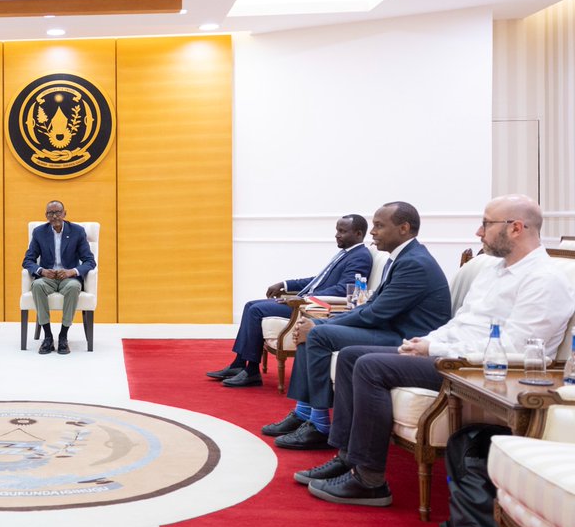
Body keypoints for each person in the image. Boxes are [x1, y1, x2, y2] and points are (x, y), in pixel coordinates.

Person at [297, 195, 575, 506]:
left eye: (486, 223)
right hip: (450, 353)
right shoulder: (495, 271)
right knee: (351, 357)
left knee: (370, 366)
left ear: (516, 228)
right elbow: (461, 323)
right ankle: (348, 458)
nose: (478, 232)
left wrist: (435, 347)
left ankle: (370, 480)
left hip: (474, 370)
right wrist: (426, 342)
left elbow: (517, 349)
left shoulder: (544, 279)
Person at [268, 201, 451, 449]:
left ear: (404, 228)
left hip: (406, 339)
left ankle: (319, 425)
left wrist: (322, 324)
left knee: (318, 334)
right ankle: (305, 413)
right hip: (390, 329)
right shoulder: (401, 257)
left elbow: (375, 313)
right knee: (313, 329)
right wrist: (323, 321)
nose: (372, 232)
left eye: (378, 226)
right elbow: (373, 305)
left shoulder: (414, 263)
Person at [207, 214, 371, 388]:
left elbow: (343, 289)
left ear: (358, 234)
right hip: (306, 301)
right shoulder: (346, 254)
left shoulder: (360, 256)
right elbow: (318, 280)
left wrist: (303, 298)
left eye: (342, 231)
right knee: (250, 305)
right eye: (337, 230)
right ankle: (238, 364)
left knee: (256, 310)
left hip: (312, 306)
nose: (337, 235)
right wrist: (285, 284)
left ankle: (252, 372)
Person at [22, 200, 97, 355]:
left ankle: (63, 335)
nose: (54, 216)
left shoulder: (77, 231)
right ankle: (48, 336)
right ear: (46, 216)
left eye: (57, 212)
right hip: (47, 278)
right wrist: (41, 270)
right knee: (37, 285)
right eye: (50, 213)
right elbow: (27, 261)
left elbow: (90, 261)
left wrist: (72, 271)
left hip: (68, 278)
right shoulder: (39, 232)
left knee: (74, 287)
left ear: (64, 213)